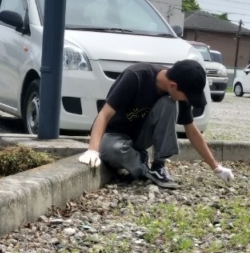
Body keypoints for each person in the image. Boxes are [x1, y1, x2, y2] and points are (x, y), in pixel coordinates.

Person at [78, 59, 233, 189]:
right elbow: (104, 114)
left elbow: (192, 131)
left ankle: (158, 167)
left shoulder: (179, 88)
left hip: (140, 136)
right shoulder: (136, 76)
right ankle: (142, 165)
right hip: (114, 135)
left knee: (168, 103)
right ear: (173, 85)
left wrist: (217, 168)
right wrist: (92, 150)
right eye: (186, 97)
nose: (186, 100)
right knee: (112, 150)